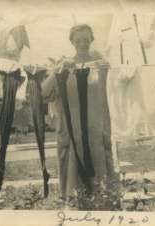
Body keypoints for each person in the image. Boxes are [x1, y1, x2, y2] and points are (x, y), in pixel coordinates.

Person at [42, 24, 120, 200]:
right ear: (71, 42)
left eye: (86, 39)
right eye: (77, 40)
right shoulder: (64, 67)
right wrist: (58, 70)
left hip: (98, 130)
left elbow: (119, 91)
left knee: (103, 184)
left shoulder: (103, 66)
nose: (82, 43)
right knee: (74, 185)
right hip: (72, 132)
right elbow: (44, 94)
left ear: (92, 39)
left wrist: (110, 69)